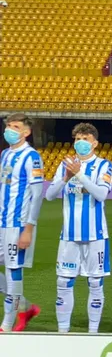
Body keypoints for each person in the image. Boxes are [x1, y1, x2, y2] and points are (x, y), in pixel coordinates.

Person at [45, 123, 112, 333]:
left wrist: (79, 175)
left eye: (85, 139)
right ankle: (63, 331)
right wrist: (66, 177)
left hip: (95, 234)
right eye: (77, 139)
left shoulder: (104, 165)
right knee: (63, 282)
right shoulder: (64, 165)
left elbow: (101, 194)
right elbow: (49, 195)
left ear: (95, 143)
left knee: (95, 283)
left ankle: (93, 332)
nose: (81, 142)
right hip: (69, 235)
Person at [0, 113, 44, 332]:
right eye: (8, 126)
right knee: (9, 272)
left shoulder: (31, 157)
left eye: (15, 127)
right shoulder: (5, 154)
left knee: (12, 270)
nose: (10, 130)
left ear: (26, 132)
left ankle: (7, 325)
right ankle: (25, 307)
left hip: (17, 224)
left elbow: (37, 194)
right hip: (1, 221)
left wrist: (28, 229)